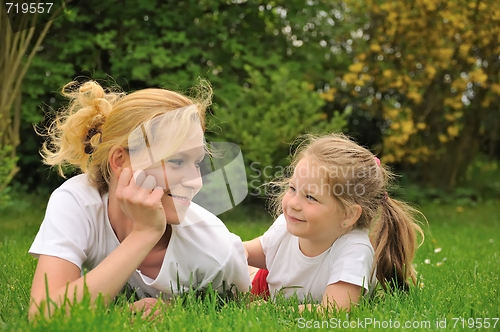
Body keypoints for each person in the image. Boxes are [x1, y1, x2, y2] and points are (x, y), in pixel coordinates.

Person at [28, 80, 251, 320]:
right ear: (120, 161)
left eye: (197, 163)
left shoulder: (216, 250)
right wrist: (144, 233)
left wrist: (181, 313)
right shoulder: (77, 201)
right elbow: (44, 315)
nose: (196, 182)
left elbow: (242, 313)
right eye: (177, 161)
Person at [244, 133, 424, 312]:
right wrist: (236, 251)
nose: (293, 204)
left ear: (348, 215)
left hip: (272, 295)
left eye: (310, 197)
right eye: (292, 188)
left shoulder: (354, 251)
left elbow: (334, 310)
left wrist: (271, 310)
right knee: (232, 272)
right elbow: (254, 252)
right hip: (266, 280)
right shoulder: (286, 226)